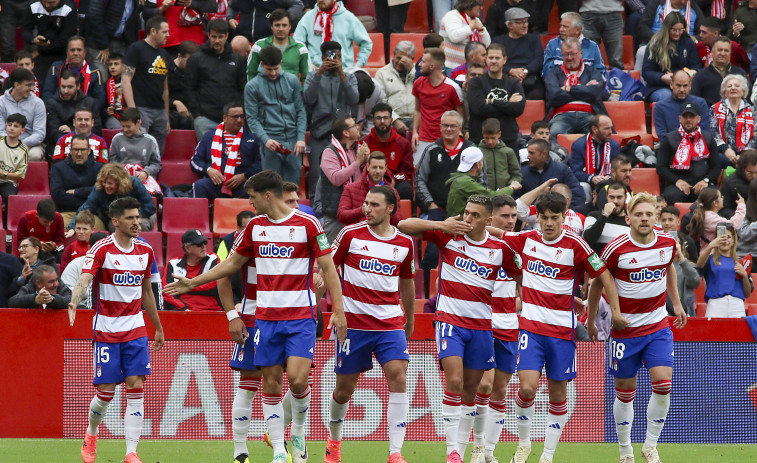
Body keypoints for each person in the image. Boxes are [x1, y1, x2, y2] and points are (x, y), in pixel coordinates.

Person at [165, 169, 347, 463]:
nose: (249, 204)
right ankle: (278, 450)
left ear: (267, 195)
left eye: (251, 198)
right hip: (265, 319)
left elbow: (328, 268)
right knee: (271, 384)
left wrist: (338, 311)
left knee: (299, 382)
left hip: (301, 317)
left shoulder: (308, 224)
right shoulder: (254, 228)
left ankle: (298, 431)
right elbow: (232, 264)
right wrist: (192, 282)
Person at [501, 190, 619, 463]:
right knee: (527, 389)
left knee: (557, 394)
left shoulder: (576, 245)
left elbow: (603, 275)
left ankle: (548, 455)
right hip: (530, 329)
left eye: (555, 217)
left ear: (564, 217)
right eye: (544, 218)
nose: (550, 223)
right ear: (537, 218)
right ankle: (524, 444)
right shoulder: (526, 239)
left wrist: (613, 312)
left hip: (562, 333)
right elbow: (498, 233)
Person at [398, 194, 515, 463]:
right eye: (466, 212)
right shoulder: (449, 237)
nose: (468, 218)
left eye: (475, 215)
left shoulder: (499, 249)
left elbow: (522, 276)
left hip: (483, 327)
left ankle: (462, 452)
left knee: (471, 392)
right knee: (454, 381)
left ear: (487, 220)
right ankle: (451, 451)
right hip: (451, 322)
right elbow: (404, 225)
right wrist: (441, 225)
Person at [587, 192, 687, 463]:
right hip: (625, 330)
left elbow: (669, 269)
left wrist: (675, 304)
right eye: (639, 214)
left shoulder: (667, 243)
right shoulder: (615, 248)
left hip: (657, 326)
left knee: (664, 384)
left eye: (649, 214)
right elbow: (597, 282)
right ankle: (625, 450)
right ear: (628, 218)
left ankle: (651, 446)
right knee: (625, 391)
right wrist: (592, 318)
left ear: (657, 217)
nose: (644, 219)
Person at [68, 196, 165, 463]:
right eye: (131, 218)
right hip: (107, 329)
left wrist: (157, 327)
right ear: (116, 221)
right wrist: (74, 301)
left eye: (138, 217)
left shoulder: (145, 251)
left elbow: (147, 292)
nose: (137, 222)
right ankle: (91, 433)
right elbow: (85, 278)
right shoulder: (101, 249)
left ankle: (131, 452)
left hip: (135, 328)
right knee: (106, 393)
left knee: (136, 387)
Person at [326, 185, 415, 463]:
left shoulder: (405, 243)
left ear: (390, 208)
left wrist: (409, 320)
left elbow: (407, 283)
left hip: (389, 324)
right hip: (353, 325)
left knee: (399, 376)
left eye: (374, 205)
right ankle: (334, 442)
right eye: (366, 203)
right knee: (344, 390)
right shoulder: (349, 234)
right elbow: (328, 268)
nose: (367, 209)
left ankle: (395, 452)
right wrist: (333, 306)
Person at [302, 40, 359, 195]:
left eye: (338, 56)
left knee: (346, 174)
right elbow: (308, 99)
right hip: (319, 134)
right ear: (322, 57)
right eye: (331, 56)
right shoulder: (313, 76)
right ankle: (317, 213)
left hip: (342, 137)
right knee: (316, 177)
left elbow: (354, 99)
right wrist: (319, 74)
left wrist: (342, 75)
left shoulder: (349, 77)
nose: (335, 59)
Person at [245, 45, 307, 184]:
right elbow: (252, 118)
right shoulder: (252, 86)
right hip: (271, 142)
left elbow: (300, 111)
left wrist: (301, 137)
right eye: (269, 69)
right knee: (272, 188)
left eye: (276, 69)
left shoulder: (292, 80)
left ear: (281, 63)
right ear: (262, 64)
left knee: (293, 187)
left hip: (293, 142)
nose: (273, 73)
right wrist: (265, 139)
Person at [185, 19, 246, 139]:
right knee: (207, 156)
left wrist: (238, 114)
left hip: (232, 119)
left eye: (220, 37)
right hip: (205, 119)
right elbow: (189, 87)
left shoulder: (238, 60)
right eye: (213, 37)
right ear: (208, 35)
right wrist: (197, 114)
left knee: (232, 156)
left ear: (227, 36)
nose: (217, 40)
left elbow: (242, 88)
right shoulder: (196, 59)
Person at [190, 102, 262, 200]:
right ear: (225, 118)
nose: (239, 120)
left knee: (258, 189)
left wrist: (244, 175)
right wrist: (209, 170)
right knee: (199, 186)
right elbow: (195, 161)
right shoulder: (210, 137)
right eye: (235, 117)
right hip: (216, 183)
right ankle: (200, 216)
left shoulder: (252, 138)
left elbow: (261, 162)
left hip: (243, 184)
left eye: (242, 116)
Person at [121, 15, 171, 155]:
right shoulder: (136, 49)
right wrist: (133, 111)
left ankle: (153, 178)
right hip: (141, 107)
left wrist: (166, 116)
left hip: (159, 110)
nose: (168, 35)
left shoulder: (164, 54)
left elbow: (165, 88)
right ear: (153, 31)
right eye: (164, 32)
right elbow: (125, 80)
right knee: (138, 152)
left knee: (156, 155)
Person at [318, 115, 370, 242]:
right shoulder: (329, 152)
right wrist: (358, 162)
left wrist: (367, 161)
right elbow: (336, 178)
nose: (358, 127)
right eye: (354, 125)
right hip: (336, 214)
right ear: (346, 132)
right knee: (330, 256)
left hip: (358, 210)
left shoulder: (358, 149)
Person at [657, 102, 720, 204]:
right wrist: (677, 181)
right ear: (679, 118)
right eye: (685, 116)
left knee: (715, 196)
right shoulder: (668, 139)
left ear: (698, 119)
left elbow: (716, 166)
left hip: (702, 183)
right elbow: (661, 167)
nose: (688, 119)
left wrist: (706, 181)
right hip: (677, 184)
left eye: (692, 116)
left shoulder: (708, 138)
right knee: (672, 196)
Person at [544, 37, 606, 140]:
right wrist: (584, 89)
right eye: (565, 54)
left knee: (599, 135)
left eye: (573, 54)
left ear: (581, 53)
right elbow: (553, 96)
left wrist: (568, 89)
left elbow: (594, 94)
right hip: (562, 116)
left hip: (589, 115)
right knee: (553, 133)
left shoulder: (592, 72)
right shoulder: (553, 73)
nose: (569, 58)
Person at [466, 43, 525, 149]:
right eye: (490, 57)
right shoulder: (476, 82)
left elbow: (518, 109)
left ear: (504, 60)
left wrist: (491, 101)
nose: (493, 61)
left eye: (497, 58)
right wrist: (508, 104)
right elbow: (479, 109)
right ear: (486, 59)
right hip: (480, 142)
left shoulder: (514, 83)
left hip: (508, 142)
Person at [70, 162, 158, 232]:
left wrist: (128, 217)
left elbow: (150, 207)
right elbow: (85, 208)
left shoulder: (134, 183)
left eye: (110, 183)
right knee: (114, 226)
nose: (106, 186)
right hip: (117, 219)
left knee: (137, 225)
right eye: (104, 182)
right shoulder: (100, 189)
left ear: (120, 183)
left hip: (143, 215)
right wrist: (73, 227)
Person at [411, 48, 464, 163]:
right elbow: (417, 110)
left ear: (432, 66)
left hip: (446, 139)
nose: (419, 64)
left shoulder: (453, 88)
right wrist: (415, 132)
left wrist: (458, 135)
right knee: (419, 174)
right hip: (423, 139)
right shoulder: (418, 83)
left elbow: (461, 115)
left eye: (423, 61)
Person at [293, 0, 372, 69]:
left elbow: (366, 44)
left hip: (343, 71)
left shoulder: (349, 18)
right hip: (315, 71)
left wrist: (358, 65)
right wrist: (308, 64)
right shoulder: (308, 17)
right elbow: (297, 44)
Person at [642, 12, 701, 103]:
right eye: (673, 30)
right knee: (667, 97)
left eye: (680, 29)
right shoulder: (655, 44)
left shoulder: (688, 42)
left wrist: (694, 71)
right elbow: (646, 72)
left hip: (684, 86)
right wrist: (661, 77)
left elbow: (696, 65)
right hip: (659, 87)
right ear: (667, 29)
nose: (677, 33)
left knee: (696, 98)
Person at [50, 134, 106, 229]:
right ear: (70, 151)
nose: (79, 153)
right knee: (59, 227)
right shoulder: (58, 168)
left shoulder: (100, 168)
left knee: (97, 231)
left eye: (83, 150)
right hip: (66, 213)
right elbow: (58, 195)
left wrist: (77, 192)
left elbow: (101, 191)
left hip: (91, 214)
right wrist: (88, 200)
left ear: (89, 151)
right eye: (76, 150)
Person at [696, 223, 751, 317]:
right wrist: (710, 246)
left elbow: (747, 293)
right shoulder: (710, 259)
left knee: (737, 331)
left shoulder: (742, 262)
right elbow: (699, 265)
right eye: (721, 237)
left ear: (733, 239)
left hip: (737, 305)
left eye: (728, 237)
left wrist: (745, 275)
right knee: (713, 331)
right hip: (716, 303)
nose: (725, 240)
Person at [19, 0, 78, 87]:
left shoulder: (68, 8)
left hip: (61, 54)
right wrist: (33, 40)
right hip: (41, 54)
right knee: (39, 83)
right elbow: (25, 30)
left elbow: (65, 39)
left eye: (51, 3)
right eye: (44, 2)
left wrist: (40, 50)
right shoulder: (33, 6)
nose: (47, 5)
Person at [162, 229, 224, 311]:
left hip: (212, 311)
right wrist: (184, 309)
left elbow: (214, 286)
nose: (203, 246)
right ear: (187, 248)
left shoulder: (213, 259)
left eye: (205, 242)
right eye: (199, 244)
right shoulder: (173, 264)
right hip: (183, 313)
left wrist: (188, 286)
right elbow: (167, 292)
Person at [362, 103, 414, 200]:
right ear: (373, 121)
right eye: (378, 118)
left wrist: (393, 180)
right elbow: (360, 167)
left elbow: (407, 171)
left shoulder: (403, 143)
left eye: (385, 118)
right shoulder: (364, 143)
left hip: (393, 181)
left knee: (405, 190)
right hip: (370, 180)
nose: (382, 121)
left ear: (391, 120)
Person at [446, 146, 515, 217]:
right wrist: (511, 188)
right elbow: (491, 197)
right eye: (482, 161)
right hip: (463, 225)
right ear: (478, 164)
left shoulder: (460, 179)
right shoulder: (465, 182)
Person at [337, 151, 401, 226]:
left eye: (381, 167)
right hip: (357, 234)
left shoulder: (392, 192)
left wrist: (386, 209)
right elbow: (341, 216)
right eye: (374, 167)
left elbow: (397, 222)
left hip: (381, 235)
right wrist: (361, 210)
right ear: (367, 167)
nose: (378, 171)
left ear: (385, 169)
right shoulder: (350, 188)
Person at [493, 7, 545, 100]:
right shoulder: (499, 41)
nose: (525, 25)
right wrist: (510, 71)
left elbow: (539, 59)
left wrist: (524, 71)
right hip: (506, 78)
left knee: (537, 94)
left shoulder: (534, 39)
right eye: (520, 22)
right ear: (509, 25)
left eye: (526, 22)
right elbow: (494, 62)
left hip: (530, 77)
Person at [247, 9, 309, 84]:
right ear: (271, 27)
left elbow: (307, 76)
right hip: (265, 93)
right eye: (277, 25)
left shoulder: (300, 48)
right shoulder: (259, 46)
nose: (281, 29)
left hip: (292, 93)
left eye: (284, 25)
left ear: (290, 27)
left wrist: (300, 94)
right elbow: (251, 73)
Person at [41, 36, 107, 107]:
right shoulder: (56, 68)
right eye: (72, 50)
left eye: (79, 50)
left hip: (85, 113)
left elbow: (100, 100)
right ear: (67, 52)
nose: (75, 53)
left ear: (84, 53)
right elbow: (47, 93)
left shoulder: (94, 72)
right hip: (60, 111)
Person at [520, 138, 585, 208]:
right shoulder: (522, 172)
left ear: (544, 154)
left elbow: (578, 195)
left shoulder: (562, 170)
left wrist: (562, 211)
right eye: (528, 153)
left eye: (532, 153)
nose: (528, 157)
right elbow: (515, 199)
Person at [659, 205, 700, 316]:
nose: (667, 223)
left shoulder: (687, 240)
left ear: (678, 221)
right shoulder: (654, 242)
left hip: (685, 303)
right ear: (658, 221)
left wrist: (680, 256)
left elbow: (695, 280)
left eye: (670, 220)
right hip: (662, 306)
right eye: (663, 220)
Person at [569, 114, 621, 198]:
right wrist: (591, 178)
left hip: (609, 182)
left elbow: (618, 169)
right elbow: (575, 172)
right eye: (607, 128)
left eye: (611, 128)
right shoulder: (579, 145)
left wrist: (609, 177)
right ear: (595, 129)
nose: (611, 132)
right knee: (583, 186)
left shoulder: (614, 145)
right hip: (587, 182)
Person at [45, 72, 103, 147]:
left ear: (78, 86)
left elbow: (96, 130)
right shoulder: (51, 104)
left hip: (87, 145)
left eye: (70, 87)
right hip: (61, 146)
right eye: (63, 86)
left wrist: (73, 132)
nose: (66, 91)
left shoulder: (90, 103)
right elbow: (53, 133)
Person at [543, 12, 607, 78]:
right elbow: (546, 71)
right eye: (561, 26)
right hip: (559, 85)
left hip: (585, 86)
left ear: (577, 30)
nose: (561, 30)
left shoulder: (592, 46)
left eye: (565, 27)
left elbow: (601, 73)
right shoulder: (552, 44)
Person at [0, 68, 46, 161]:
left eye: (33, 85)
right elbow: (0, 131)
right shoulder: (1, 102)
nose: (32, 89)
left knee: (35, 155)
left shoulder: (38, 103)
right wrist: (10, 144)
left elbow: (39, 133)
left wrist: (19, 144)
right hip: (5, 143)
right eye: (28, 85)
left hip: (30, 145)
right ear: (17, 85)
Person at [710, 74, 756, 165]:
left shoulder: (753, 110)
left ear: (743, 91)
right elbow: (712, 131)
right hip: (722, 152)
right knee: (719, 159)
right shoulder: (715, 108)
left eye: (737, 86)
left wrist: (744, 153)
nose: (733, 88)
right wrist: (726, 149)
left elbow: (756, 134)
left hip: (748, 152)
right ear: (725, 92)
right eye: (729, 86)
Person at [652, 70, 711, 139]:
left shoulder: (701, 103)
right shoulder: (660, 107)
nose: (682, 89)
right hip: (671, 147)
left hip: (697, 146)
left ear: (690, 86)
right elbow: (662, 136)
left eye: (685, 86)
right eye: (678, 85)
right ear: (671, 85)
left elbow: (706, 132)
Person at [516, 178, 586, 235]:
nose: (551, 198)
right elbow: (518, 209)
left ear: (567, 200)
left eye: (556, 196)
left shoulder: (581, 219)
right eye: (544, 217)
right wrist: (540, 189)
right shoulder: (540, 210)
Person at [375, 41, 416, 136]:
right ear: (393, 55)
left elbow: (426, 94)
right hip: (392, 120)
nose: (400, 62)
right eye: (398, 58)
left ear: (412, 59)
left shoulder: (418, 74)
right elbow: (381, 102)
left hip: (416, 118)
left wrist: (412, 71)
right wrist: (395, 120)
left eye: (405, 59)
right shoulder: (382, 73)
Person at [83, 0, 142, 67]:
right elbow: (94, 15)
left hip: (121, 43)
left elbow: (133, 21)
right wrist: (103, 45)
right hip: (98, 44)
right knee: (101, 75)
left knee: (124, 74)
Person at [692, 40, 748, 108]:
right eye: (719, 50)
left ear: (730, 53)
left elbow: (748, 98)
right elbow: (694, 100)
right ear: (712, 52)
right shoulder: (700, 75)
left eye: (726, 50)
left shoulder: (740, 73)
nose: (723, 53)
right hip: (710, 115)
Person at [439, 0, 491, 70]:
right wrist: (470, 28)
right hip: (451, 66)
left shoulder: (475, 20)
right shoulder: (452, 16)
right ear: (470, 5)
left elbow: (487, 44)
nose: (481, 8)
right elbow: (454, 37)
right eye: (479, 5)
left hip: (471, 67)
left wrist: (482, 30)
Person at [582, 182, 630, 253]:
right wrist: (604, 215)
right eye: (612, 197)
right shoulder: (594, 216)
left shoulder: (630, 221)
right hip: (597, 262)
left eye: (619, 197)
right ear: (607, 197)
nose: (615, 201)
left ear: (625, 197)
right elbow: (588, 240)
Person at [228, 0, 304, 44]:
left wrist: (284, 18)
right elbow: (231, 5)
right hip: (245, 40)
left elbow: (298, 5)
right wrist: (230, 18)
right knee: (237, 44)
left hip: (269, 40)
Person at [477, 118, 521, 191]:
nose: (490, 141)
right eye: (487, 138)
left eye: (493, 138)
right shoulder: (477, 152)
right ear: (483, 134)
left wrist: (509, 187)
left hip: (505, 193)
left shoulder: (508, 152)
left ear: (499, 134)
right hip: (483, 193)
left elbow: (516, 174)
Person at [636, 0, 703, 46]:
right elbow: (642, 27)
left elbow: (703, 30)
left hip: (685, 46)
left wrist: (695, 39)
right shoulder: (656, 3)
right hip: (657, 44)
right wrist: (656, 39)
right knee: (641, 52)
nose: (684, 1)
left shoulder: (694, 7)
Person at [0, 112, 28, 204]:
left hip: (8, 183)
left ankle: (7, 218)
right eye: (9, 125)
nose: (11, 128)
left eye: (16, 126)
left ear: (22, 130)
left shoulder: (23, 150)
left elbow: (20, 175)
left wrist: (3, 174)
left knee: (10, 198)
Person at [721, 149, 757, 219]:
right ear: (742, 169)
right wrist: (744, 218)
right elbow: (725, 209)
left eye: (756, 173)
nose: (754, 176)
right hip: (741, 221)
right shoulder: (729, 182)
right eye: (749, 172)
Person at [103, 53, 125, 129]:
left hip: (128, 116)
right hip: (112, 117)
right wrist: (106, 111)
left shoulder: (130, 83)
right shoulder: (106, 84)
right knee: (116, 126)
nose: (112, 67)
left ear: (123, 66)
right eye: (110, 64)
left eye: (116, 64)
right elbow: (101, 105)